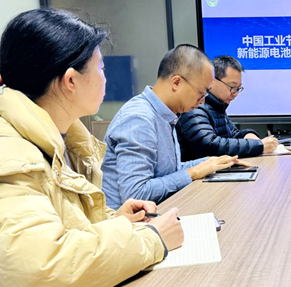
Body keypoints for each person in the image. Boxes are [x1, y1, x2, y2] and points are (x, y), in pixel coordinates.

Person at [0, 8, 183, 287]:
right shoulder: (7, 151)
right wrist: (150, 239)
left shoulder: (61, 139)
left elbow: (59, 226)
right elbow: (37, 268)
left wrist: (114, 221)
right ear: (71, 80)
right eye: (100, 67)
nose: (105, 77)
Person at [102, 46, 250, 209]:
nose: (202, 101)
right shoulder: (139, 118)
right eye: (201, 93)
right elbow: (136, 194)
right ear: (176, 82)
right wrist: (193, 172)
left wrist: (212, 162)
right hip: (132, 222)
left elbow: (171, 171)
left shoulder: (166, 114)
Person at [176, 55, 278, 161]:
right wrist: (258, 146)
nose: (235, 93)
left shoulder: (218, 106)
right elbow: (209, 145)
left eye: (238, 88)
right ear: (212, 80)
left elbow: (232, 134)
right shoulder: (195, 107)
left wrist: (248, 134)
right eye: (232, 87)